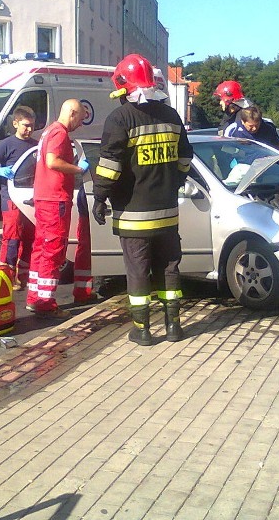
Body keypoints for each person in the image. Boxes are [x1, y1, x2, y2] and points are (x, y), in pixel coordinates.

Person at [92, 54, 193, 345]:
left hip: (134, 215)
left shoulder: (120, 118)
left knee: (138, 271)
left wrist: (100, 198)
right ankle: (174, 327)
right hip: (167, 212)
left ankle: (142, 329)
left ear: (123, 86)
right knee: (169, 268)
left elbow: (110, 165)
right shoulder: (171, 116)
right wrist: (176, 180)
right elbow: (185, 157)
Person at [25, 99, 89, 319]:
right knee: (53, 251)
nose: (80, 124)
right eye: (80, 119)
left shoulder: (48, 131)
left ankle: (35, 296)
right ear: (71, 113)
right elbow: (53, 162)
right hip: (56, 200)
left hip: (44, 198)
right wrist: (78, 169)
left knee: (40, 248)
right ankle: (45, 302)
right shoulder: (60, 133)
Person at [0, 106, 38, 290]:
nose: (29, 129)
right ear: (15, 123)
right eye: (25, 125)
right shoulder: (7, 144)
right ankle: (6, 277)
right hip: (11, 197)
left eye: (31, 126)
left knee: (30, 237)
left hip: (30, 197)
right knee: (12, 237)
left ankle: (23, 275)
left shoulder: (35, 145)